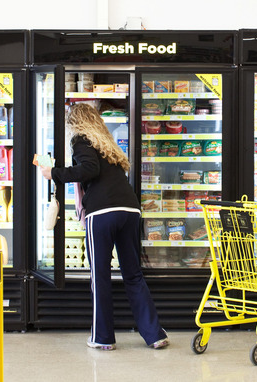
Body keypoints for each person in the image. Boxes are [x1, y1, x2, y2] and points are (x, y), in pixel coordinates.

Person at [39, 103, 168, 351]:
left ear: (73, 122)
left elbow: (89, 169)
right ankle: (155, 334)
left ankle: (103, 337)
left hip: (103, 213)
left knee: (100, 276)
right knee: (133, 274)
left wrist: (53, 172)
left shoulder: (80, 139)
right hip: (129, 210)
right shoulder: (106, 144)